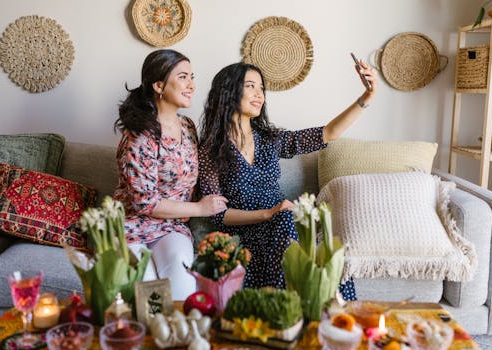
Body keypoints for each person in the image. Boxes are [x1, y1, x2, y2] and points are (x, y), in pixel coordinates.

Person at [198, 60, 377, 292]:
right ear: (229, 91)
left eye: (262, 88)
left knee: (328, 258)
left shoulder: (270, 139)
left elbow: (328, 133)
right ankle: (295, 308)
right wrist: (267, 214)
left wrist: (367, 97)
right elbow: (218, 214)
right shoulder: (210, 150)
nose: (259, 94)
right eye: (251, 86)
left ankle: (332, 317)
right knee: (285, 223)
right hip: (249, 229)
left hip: (284, 225)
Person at [113, 49, 228, 300]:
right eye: (183, 77)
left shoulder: (188, 127)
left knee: (181, 283)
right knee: (152, 296)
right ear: (159, 85)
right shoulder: (139, 136)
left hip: (171, 227)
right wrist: (199, 209)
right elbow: (146, 203)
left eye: (192, 77)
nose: (192, 85)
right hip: (131, 227)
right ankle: (155, 335)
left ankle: (183, 336)